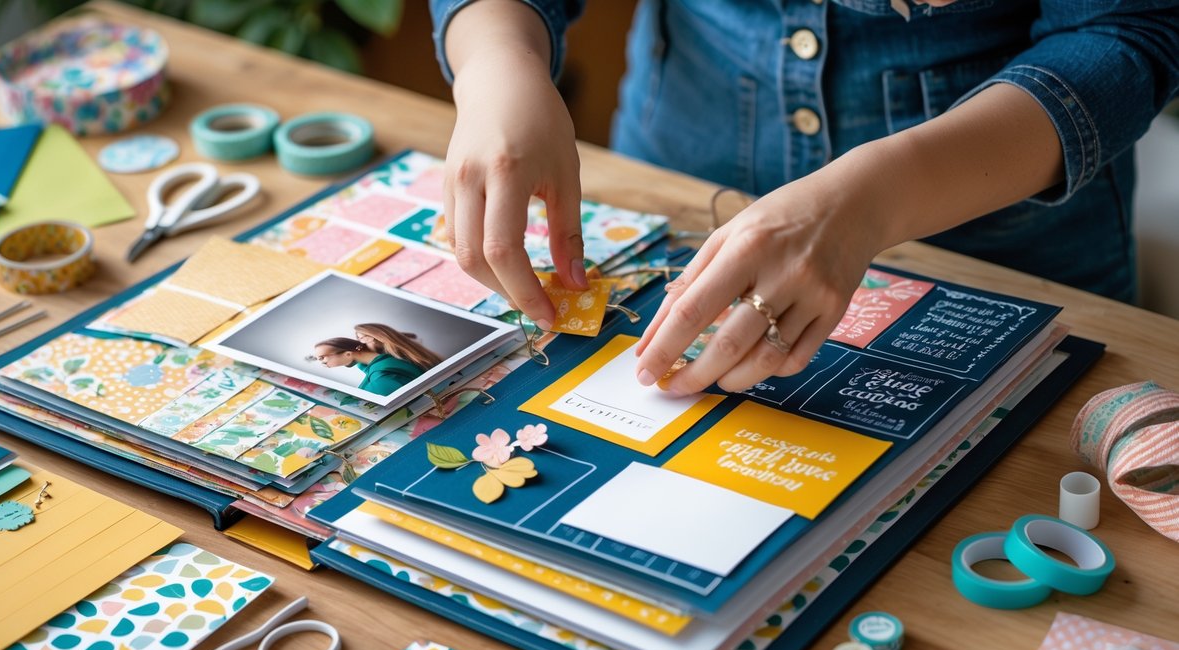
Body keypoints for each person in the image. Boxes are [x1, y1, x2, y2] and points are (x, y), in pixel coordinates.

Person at [427, 0, 1179, 397]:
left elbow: (1128, 31)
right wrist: (496, 60)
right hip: (678, 175)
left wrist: (876, 198)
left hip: (1000, 242)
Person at [308, 336, 428, 396]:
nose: (322, 363)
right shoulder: (383, 363)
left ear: (348, 353)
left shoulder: (382, 375)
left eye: (322, 358)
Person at [355, 322, 444, 370]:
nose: (364, 340)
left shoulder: (398, 346)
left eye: (364, 336)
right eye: (360, 338)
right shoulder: (367, 354)